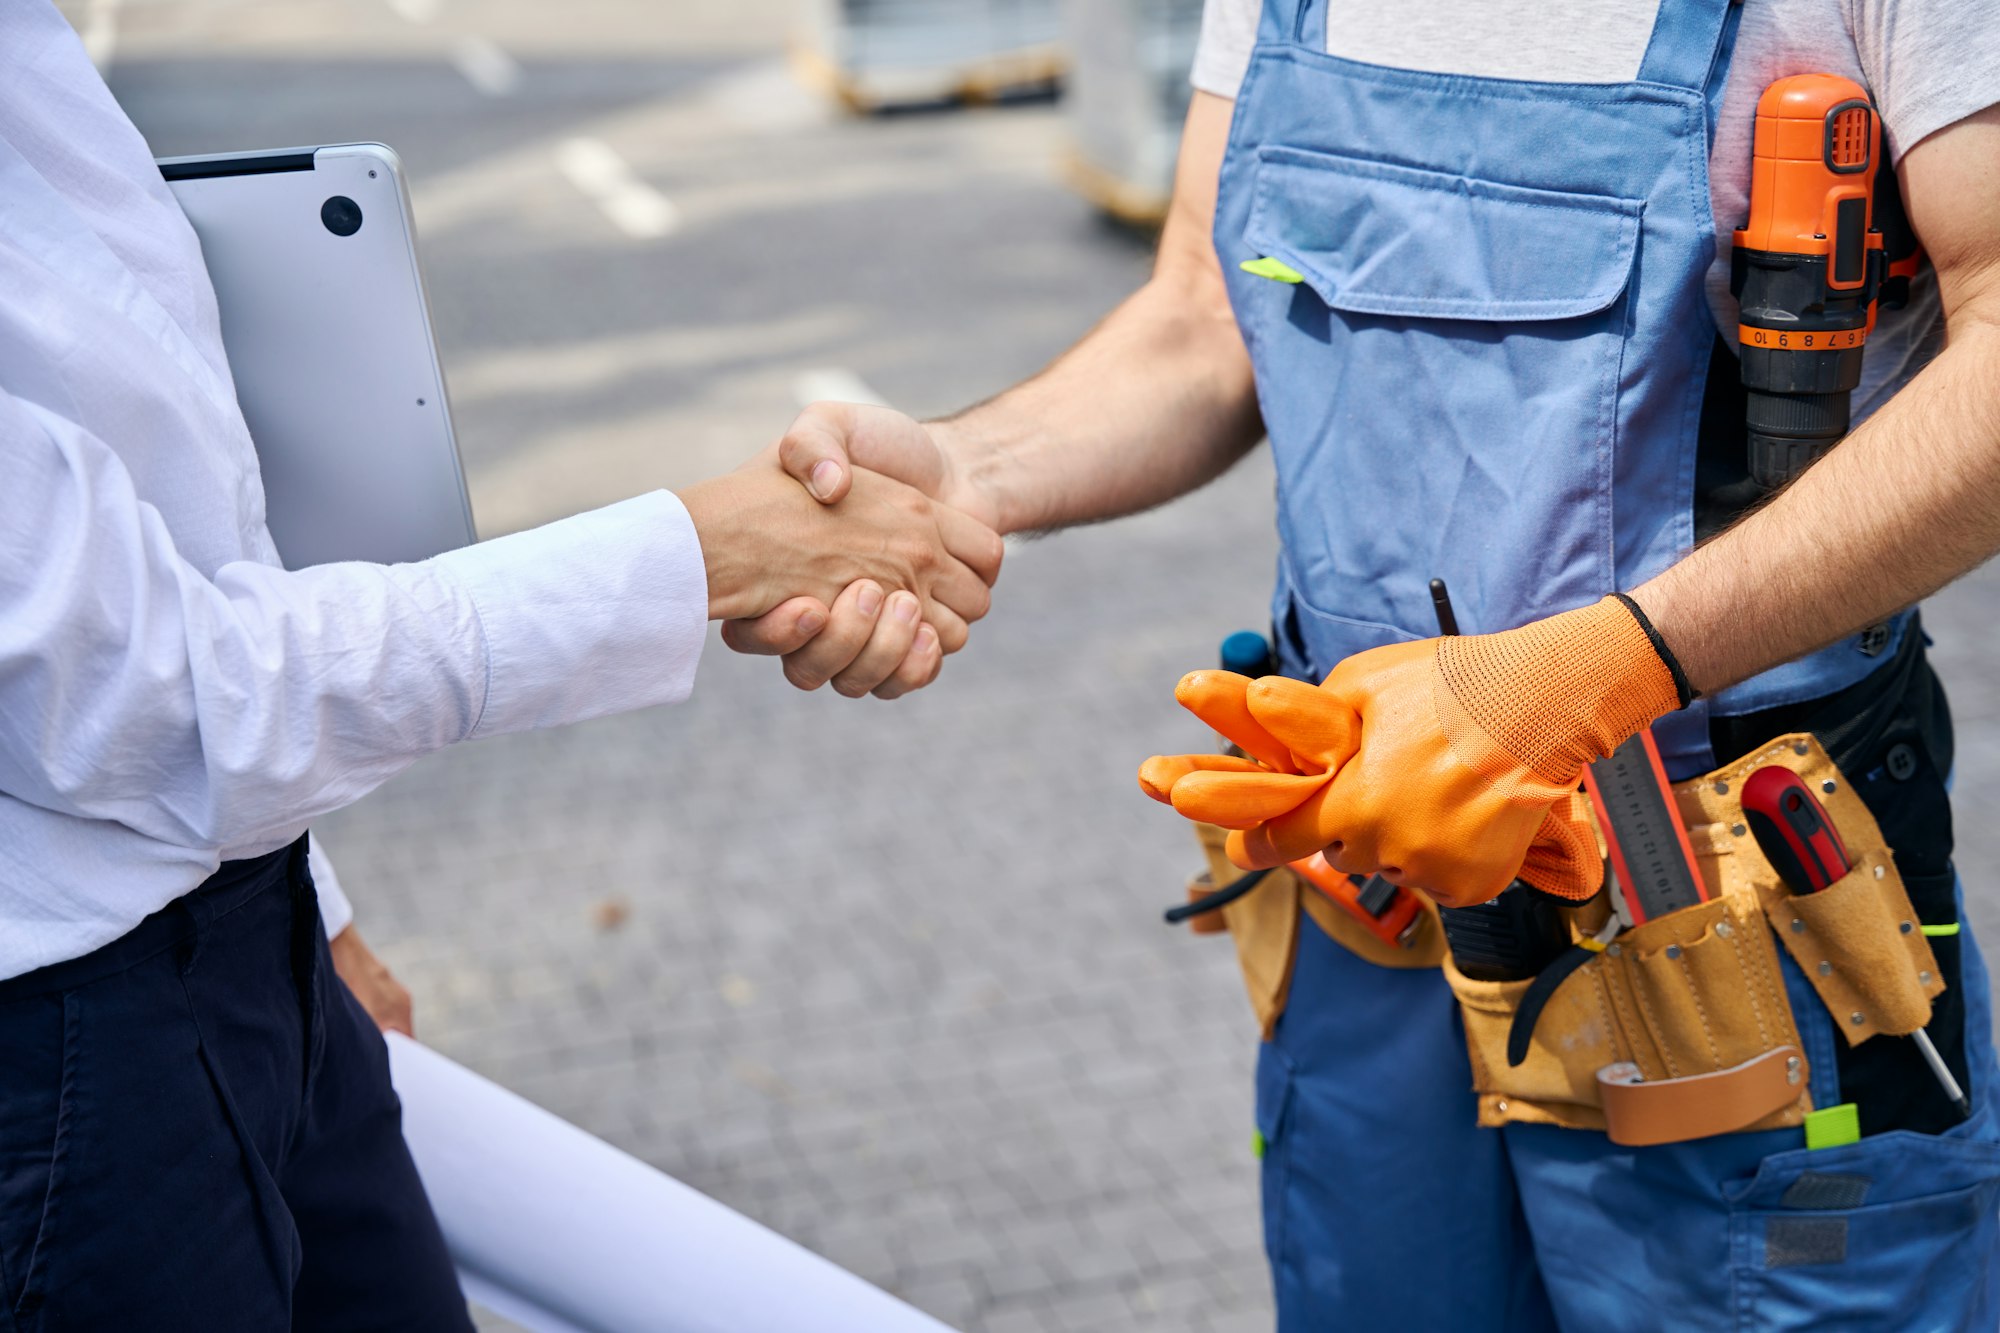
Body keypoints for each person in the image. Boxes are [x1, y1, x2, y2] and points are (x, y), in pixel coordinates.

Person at [729, 0, 2000, 1325]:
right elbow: (1204, 307)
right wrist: (964, 471)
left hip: (1733, 924)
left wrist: (1602, 672)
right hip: (1365, 899)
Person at [0, 5, 1000, 1329]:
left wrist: (315, 907)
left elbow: (167, 541)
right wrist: (705, 552)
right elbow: (144, 690)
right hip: (65, 1056)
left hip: (249, 927)